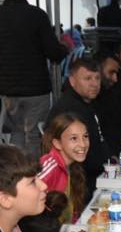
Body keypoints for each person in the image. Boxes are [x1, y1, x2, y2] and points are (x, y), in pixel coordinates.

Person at [0, 0, 67, 154]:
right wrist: (64, 48)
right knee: (35, 136)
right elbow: (53, 53)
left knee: (16, 134)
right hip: (36, 88)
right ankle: (33, 169)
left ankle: (18, 169)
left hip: (7, 88)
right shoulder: (37, 16)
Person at [46, 58, 111, 189]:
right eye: (87, 78)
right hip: (79, 181)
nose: (94, 84)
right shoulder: (69, 110)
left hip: (94, 173)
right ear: (72, 81)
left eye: (97, 78)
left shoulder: (89, 103)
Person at [39, 113, 90, 224]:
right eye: (74, 138)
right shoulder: (49, 166)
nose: (83, 144)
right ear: (57, 143)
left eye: (85, 136)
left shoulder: (72, 165)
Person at [95, 53, 121, 153]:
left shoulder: (111, 93)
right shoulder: (90, 100)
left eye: (116, 73)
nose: (115, 79)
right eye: (111, 72)